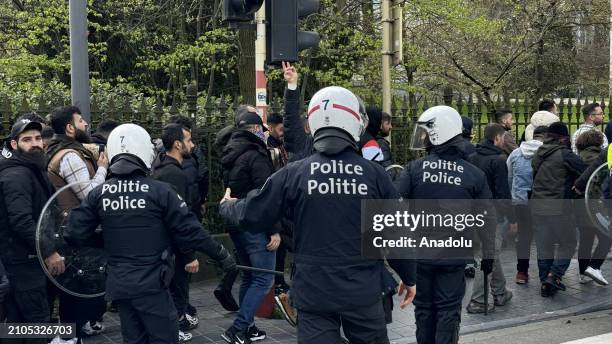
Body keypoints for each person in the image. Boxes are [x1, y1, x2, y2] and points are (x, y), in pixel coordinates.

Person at [220, 84, 417, 344]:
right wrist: (409, 276)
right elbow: (395, 232)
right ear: (354, 121)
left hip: (314, 289)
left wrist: (227, 205)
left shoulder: (295, 173)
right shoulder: (374, 174)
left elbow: (253, 211)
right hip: (363, 288)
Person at [64, 123, 236, 344]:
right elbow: (191, 230)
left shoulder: (99, 193)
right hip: (152, 285)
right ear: (144, 151)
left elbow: (73, 233)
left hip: (120, 285)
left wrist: (105, 240)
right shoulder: (160, 191)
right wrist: (222, 255)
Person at [398, 105, 495, 343]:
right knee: (448, 313)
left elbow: (394, 209)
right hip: (454, 256)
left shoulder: (413, 169)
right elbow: (486, 218)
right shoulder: (473, 174)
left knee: (423, 312)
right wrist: (488, 255)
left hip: (420, 255)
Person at [0, 119, 65, 344]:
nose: (35, 144)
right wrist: (49, 251)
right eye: (27, 140)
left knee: (18, 325)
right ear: (14, 144)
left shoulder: (30, 168)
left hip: (22, 261)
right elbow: (21, 221)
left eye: (38, 138)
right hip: (24, 263)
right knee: (37, 323)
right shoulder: (17, 175)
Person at [47, 106, 109, 339]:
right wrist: (102, 169)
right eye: (82, 121)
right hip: (74, 231)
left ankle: (69, 331)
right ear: (70, 128)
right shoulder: (70, 156)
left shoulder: (57, 149)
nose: (87, 125)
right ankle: (68, 335)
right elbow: (89, 195)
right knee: (76, 288)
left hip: (62, 228)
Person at [220, 108, 281, 344]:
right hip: (256, 226)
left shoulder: (230, 152)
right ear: (255, 129)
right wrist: (274, 229)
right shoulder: (256, 155)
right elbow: (267, 196)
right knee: (263, 279)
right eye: (262, 129)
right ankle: (238, 328)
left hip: (236, 223)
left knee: (249, 276)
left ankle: (249, 327)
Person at [151, 124, 199, 342]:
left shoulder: (160, 167)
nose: (193, 144)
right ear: (178, 144)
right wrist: (188, 254)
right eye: (188, 140)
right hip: (174, 245)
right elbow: (179, 218)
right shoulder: (174, 174)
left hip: (162, 243)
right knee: (178, 288)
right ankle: (175, 327)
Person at [531, 122, 586, 297]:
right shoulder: (565, 155)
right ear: (563, 138)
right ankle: (554, 276)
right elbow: (585, 172)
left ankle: (545, 283)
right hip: (559, 206)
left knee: (544, 245)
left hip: (537, 205)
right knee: (568, 242)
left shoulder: (539, 153)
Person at [465, 124, 515, 314]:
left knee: (491, 251)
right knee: (487, 255)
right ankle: (478, 300)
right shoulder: (498, 160)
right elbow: (503, 193)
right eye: (503, 137)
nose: (505, 141)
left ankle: (500, 292)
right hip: (491, 214)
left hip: (472, 213)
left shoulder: (472, 157)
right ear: (497, 138)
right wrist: (512, 218)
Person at [507, 126, 547, 284]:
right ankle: (545, 273)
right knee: (544, 237)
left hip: (520, 201)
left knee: (524, 237)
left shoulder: (516, 153)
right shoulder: (547, 154)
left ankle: (521, 272)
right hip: (541, 200)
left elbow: (509, 177)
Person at [575, 130, 611, 285]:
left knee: (586, 238)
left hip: (587, 204)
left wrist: (577, 186)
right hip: (601, 203)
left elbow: (587, 175)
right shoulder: (604, 154)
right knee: (607, 236)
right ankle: (594, 266)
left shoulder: (609, 150)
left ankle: (584, 272)